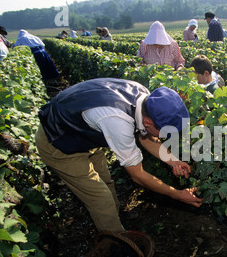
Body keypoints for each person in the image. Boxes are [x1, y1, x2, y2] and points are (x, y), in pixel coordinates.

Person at [36, 78, 203, 232]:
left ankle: (114, 217)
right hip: (58, 140)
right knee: (100, 198)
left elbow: (146, 137)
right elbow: (138, 176)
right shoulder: (118, 122)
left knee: (106, 180)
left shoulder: (145, 99)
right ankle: (117, 244)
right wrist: (176, 194)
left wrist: (174, 161)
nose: (165, 136)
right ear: (148, 122)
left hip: (85, 132)